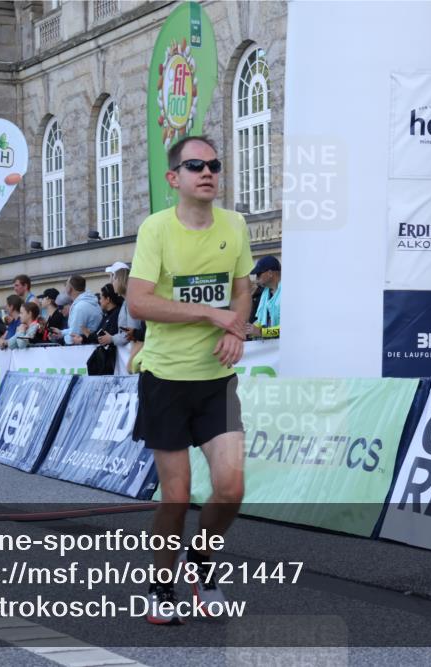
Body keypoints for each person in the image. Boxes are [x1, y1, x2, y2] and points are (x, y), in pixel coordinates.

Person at [127, 135, 252, 624]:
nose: (208, 173)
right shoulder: (156, 229)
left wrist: (235, 326)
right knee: (176, 498)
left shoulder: (235, 225)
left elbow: (242, 292)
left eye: (215, 165)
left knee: (231, 489)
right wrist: (211, 315)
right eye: (195, 165)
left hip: (215, 380)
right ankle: (161, 586)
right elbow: (139, 302)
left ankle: (200, 565)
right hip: (166, 379)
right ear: (173, 178)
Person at [55, 275, 101, 345]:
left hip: (85, 349)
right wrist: (62, 333)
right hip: (89, 346)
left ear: (70, 288)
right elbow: (76, 329)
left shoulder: (80, 307)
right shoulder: (88, 301)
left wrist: (61, 338)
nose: (64, 287)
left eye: (66, 284)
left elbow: (73, 336)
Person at [248, 255, 281, 338]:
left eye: (258, 274)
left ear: (270, 273)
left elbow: (287, 329)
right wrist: (248, 329)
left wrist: (261, 332)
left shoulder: (289, 293)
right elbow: (261, 320)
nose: (256, 278)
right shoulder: (265, 293)